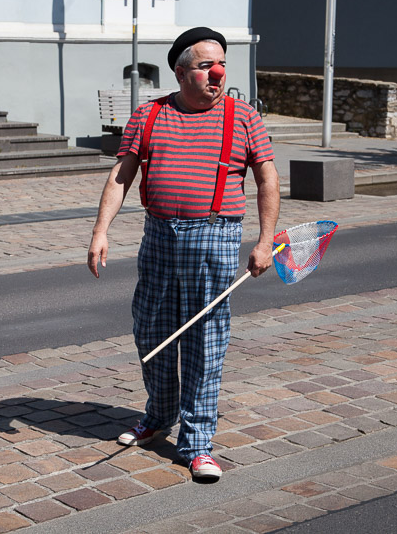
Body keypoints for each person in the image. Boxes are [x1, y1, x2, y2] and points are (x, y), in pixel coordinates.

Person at [87, 27, 281, 480]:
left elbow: (267, 181)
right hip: (158, 235)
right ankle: (159, 416)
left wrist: (265, 240)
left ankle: (197, 444)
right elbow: (122, 175)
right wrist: (100, 230)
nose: (217, 74)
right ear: (179, 71)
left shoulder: (243, 117)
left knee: (203, 342)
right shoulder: (149, 115)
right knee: (151, 335)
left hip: (214, 237)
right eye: (204, 66)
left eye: (222, 65)